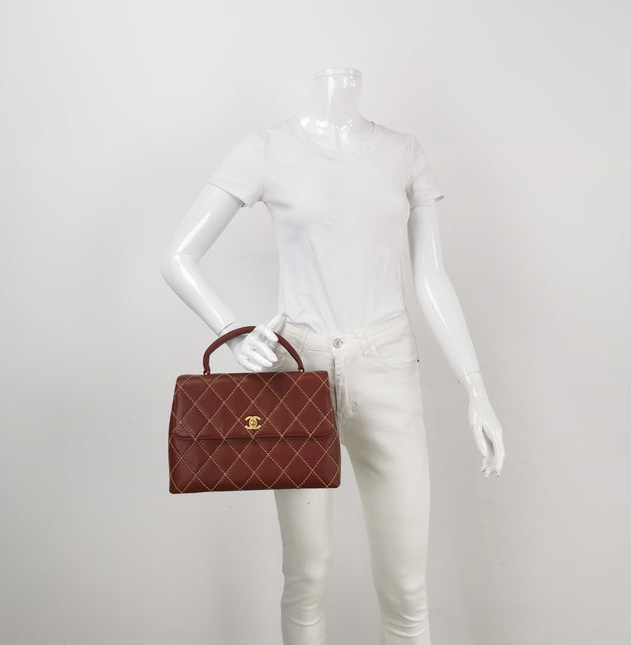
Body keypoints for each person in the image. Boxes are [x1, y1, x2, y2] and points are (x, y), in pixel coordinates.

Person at [161, 66, 505, 645]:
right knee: (306, 577)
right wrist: (235, 334)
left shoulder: (402, 153)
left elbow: (431, 275)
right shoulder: (267, 148)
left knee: (407, 589)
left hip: (388, 369)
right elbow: (177, 257)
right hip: (297, 374)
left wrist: (476, 386)